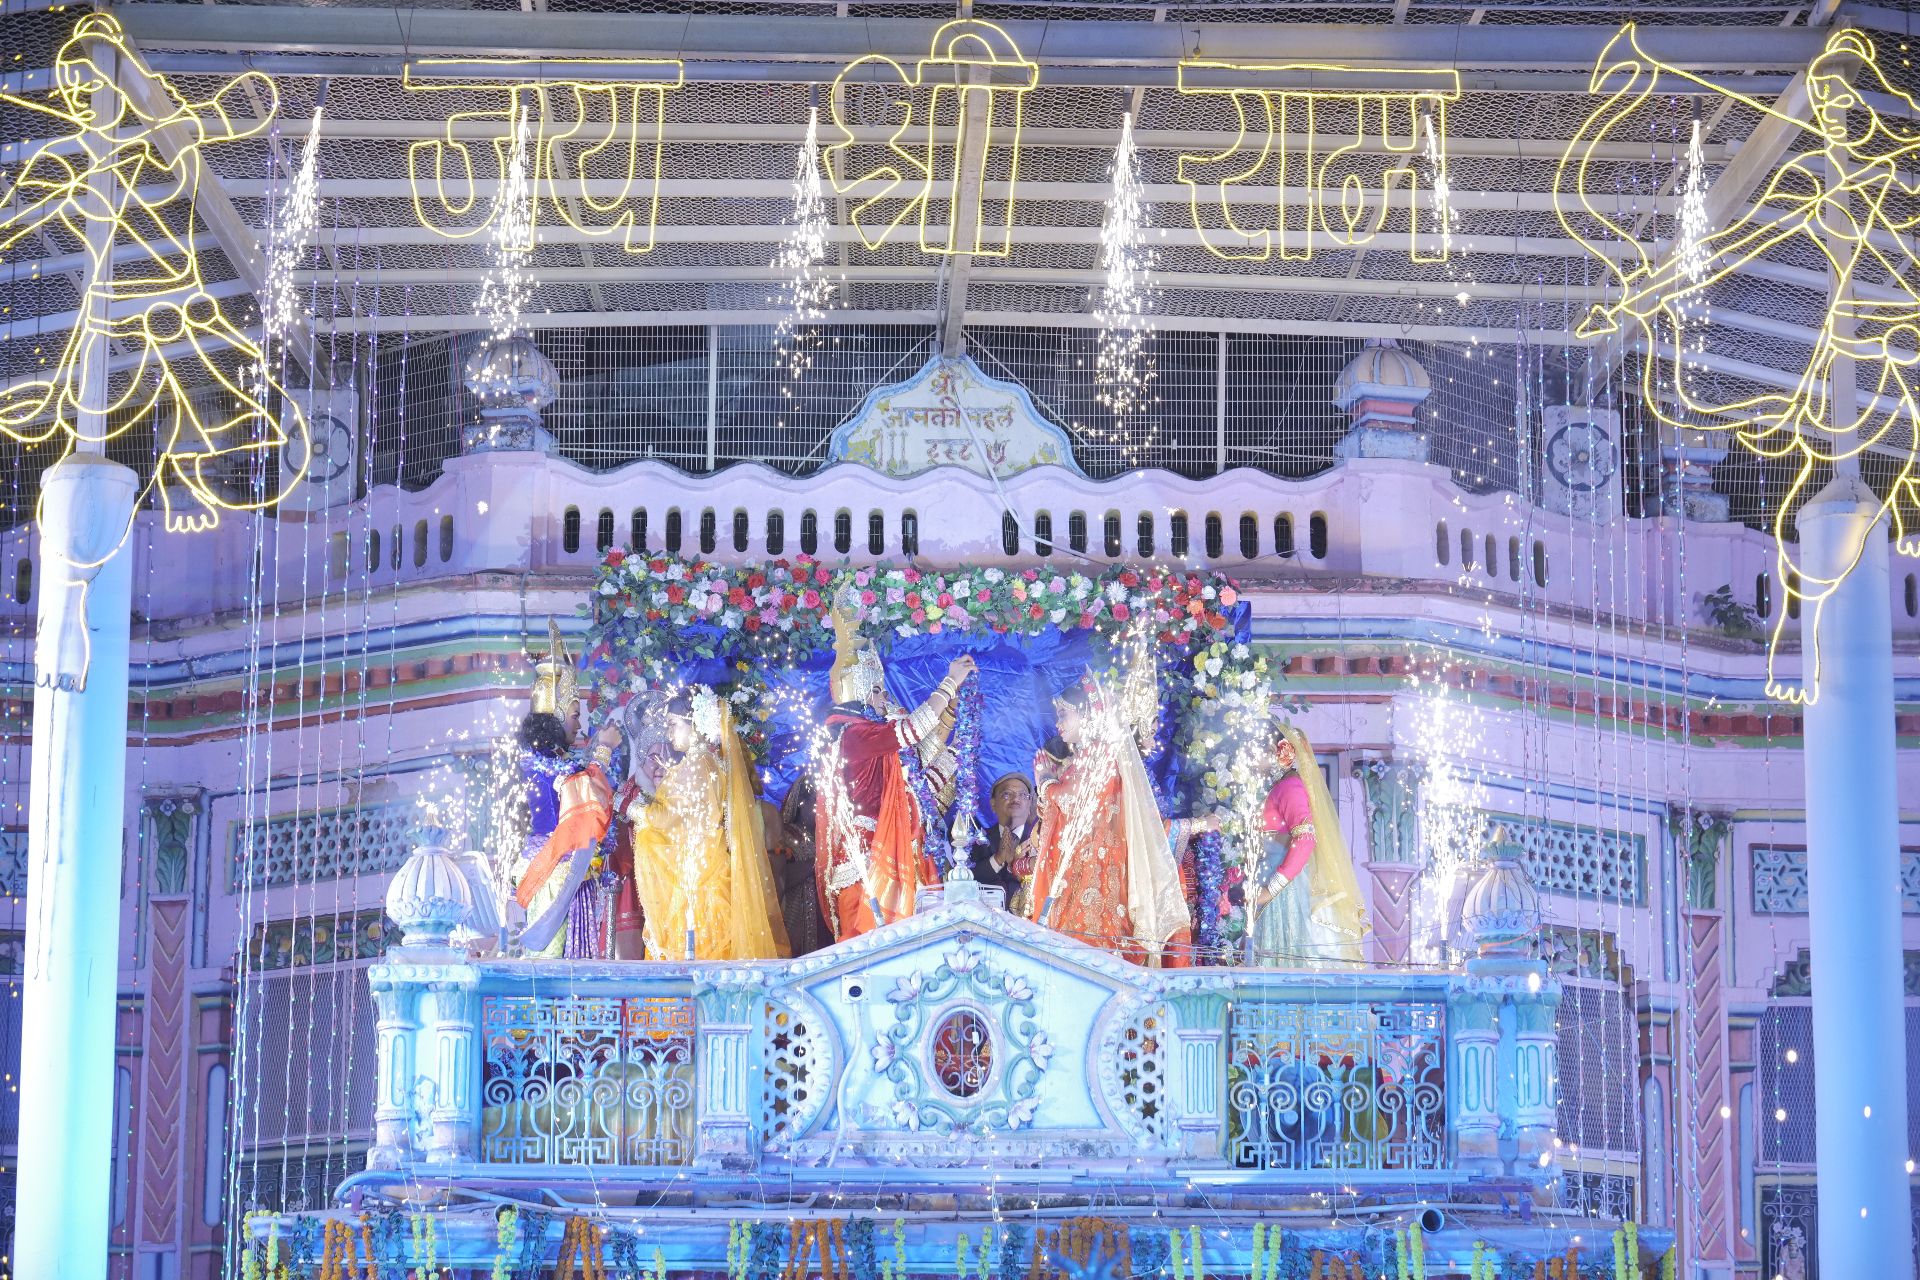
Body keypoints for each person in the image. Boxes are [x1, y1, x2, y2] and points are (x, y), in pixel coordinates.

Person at [814, 604, 976, 941]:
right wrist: (949, 683)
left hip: (888, 857)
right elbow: (912, 730)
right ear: (859, 691)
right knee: (868, 952)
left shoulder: (869, 739)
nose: (885, 699)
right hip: (866, 866)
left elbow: (917, 774)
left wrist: (958, 739)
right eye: (878, 691)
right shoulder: (854, 735)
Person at [1025, 681, 1195, 966]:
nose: (1058, 723)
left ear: (1087, 714)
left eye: (1064, 714)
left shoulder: (1100, 754)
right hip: (1079, 870)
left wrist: (1044, 781)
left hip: (1093, 873)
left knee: (1087, 953)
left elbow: (1073, 801)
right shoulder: (1084, 758)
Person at [625, 687, 790, 961]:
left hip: (700, 881)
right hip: (707, 870)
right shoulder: (710, 762)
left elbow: (666, 819)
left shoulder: (697, 764)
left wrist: (631, 807)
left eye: (673, 725)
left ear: (693, 724)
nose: (669, 734)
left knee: (697, 957)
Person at [512, 622, 626, 958]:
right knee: (551, 964)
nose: (579, 724)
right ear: (557, 716)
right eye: (575, 715)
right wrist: (604, 750)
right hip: (553, 871)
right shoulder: (541, 765)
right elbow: (586, 799)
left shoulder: (552, 761)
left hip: (566, 871)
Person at [1246, 722, 1369, 966]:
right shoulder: (1276, 788)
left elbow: (1305, 839)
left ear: (1275, 752)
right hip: (1271, 882)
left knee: (1285, 962)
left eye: (1253, 752)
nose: (1249, 759)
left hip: (1286, 892)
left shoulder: (1289, 787)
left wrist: (1271, 889)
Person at [771, 775, 829, 956]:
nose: (822, 808)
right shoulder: (785, 835)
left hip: (826, 920)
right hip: (797, 921)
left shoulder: (827, 835)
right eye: (816, 801)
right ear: (800, 803)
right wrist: (818, 862)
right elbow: (779, 879)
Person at [969, 772, 1037, 908]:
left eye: (1023, 795)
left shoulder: (1039, 838)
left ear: (1030, 804)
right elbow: (968, 879)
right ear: (993, 804)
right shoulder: (978, 839)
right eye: (1007, 794)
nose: (1016, 799)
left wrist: (1017, 865)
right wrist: (998, 859)